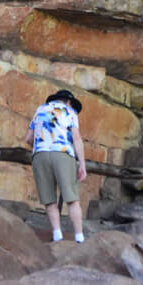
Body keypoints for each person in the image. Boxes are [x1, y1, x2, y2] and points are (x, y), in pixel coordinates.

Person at [24, 88, 88, 242]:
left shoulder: (40, 110)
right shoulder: (70, 111)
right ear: (69, 101)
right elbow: (77, 139)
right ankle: (79, 237)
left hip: (40, 155)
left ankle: (57, 234)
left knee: (49, 199)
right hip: (62, 153)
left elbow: (28, 139)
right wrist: (82, 164)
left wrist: (43, 144)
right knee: (72, 198)